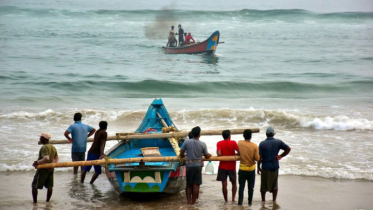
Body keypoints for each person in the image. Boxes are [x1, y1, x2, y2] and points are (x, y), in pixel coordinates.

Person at [257, 127, 291, 205]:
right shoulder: (278, 142)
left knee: (263, 185)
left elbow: (260, 157)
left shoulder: (262, 144)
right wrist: (281, 156)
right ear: (273, 134)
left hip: (265, 166)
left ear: (266, 134)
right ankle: (274, 200)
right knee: (274, 184)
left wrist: (258, 167)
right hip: (275, 166)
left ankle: (263, 201)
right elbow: (288, 149)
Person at [180, 126, 211, 205]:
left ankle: (189, 202)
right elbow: (206, 155)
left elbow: (181, 152)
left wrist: (183, 155)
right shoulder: (202, 144)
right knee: (196, 184)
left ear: (192, 134)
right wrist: (209, 155)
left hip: (189, 165)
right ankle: (193, 203)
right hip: (198, 165)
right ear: (199, 134)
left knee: (188, 184)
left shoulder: (186, 142)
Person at [32, 132, 59, 203]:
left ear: (44, 139)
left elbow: (46, 158)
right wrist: (52, 165)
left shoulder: (44, 147)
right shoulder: (52, 147)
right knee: (49, 185)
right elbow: (56, 158)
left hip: (43, 169)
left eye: (41, 137)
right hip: (51, 169)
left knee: (34, 185)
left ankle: (35, 202)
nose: (40, 139)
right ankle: (47, 201)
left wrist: (38, 162)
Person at [237, 129, 260, 206]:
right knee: (251, 188)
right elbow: (257, 158)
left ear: (243, 136)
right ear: (251, 136)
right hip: (251, 169)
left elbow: (239, 152)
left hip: (242, 168)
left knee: (241, 187)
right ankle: (250, 202)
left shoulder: (240, 143)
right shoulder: (254, 146)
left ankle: (240, 203)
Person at [216, 130, 240, 202]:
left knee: (224, 184)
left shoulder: (219, 143)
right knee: (234, 183)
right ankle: (233, 199)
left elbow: (219, 154)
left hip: (222, 166)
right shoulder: (233, 142)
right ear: (229, 136)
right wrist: (234, 155)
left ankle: (226, 200)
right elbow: (239, 152)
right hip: (231, 166)